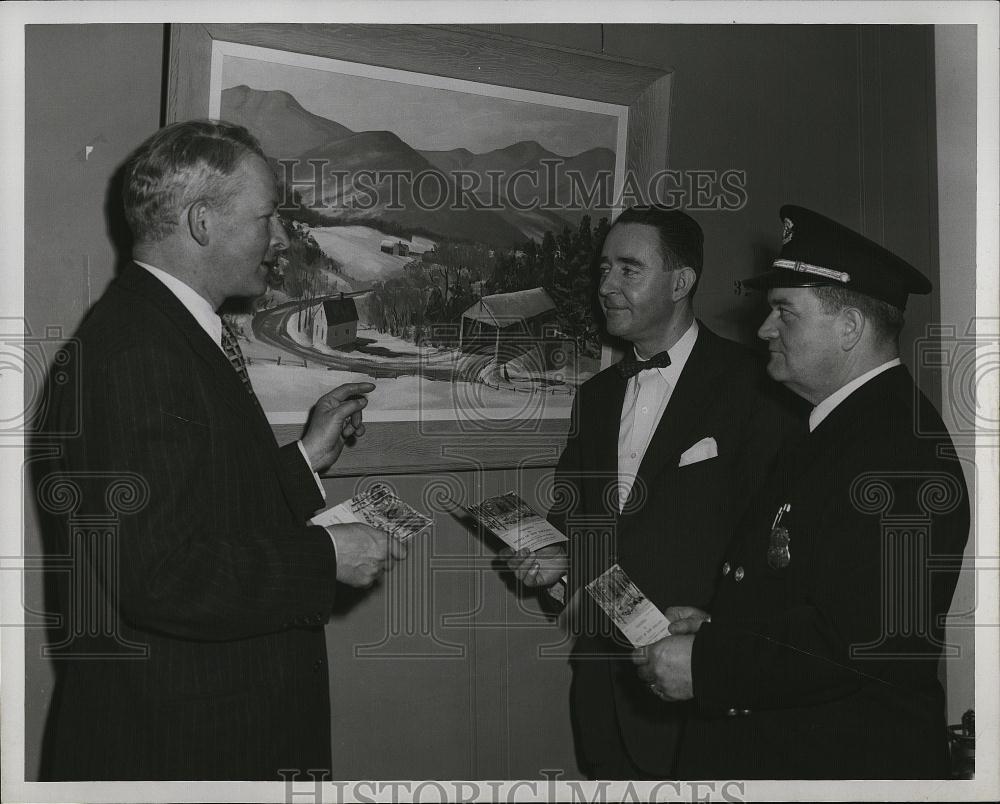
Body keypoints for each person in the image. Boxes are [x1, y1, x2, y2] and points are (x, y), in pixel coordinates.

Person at [42, 120, 405, 780]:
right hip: (183, 747)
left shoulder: (164, 330)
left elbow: (190, 506)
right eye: (268, 216)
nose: (281, 237)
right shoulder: (138, 354)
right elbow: (164, 577)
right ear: (202, 221)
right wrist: (325, 555)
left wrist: (302, 459)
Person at [633, 205, 970, 779]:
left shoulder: (896, 453)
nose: (764, 328)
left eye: (784, 312)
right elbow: (816, 593)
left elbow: (865, 644)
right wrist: (722, 631)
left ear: (850, 329)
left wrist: (711, 667)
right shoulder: (842, 426)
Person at [505, 205, 799, 778]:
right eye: (604, 270)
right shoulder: (594, 398)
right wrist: (553, 565)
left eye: (628, 270)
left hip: (699, 697)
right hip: (601, 695)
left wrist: (719, 651)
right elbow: (576, 524)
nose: (606, 287)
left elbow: (779, 556)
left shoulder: (757, 387)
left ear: (681, 281)